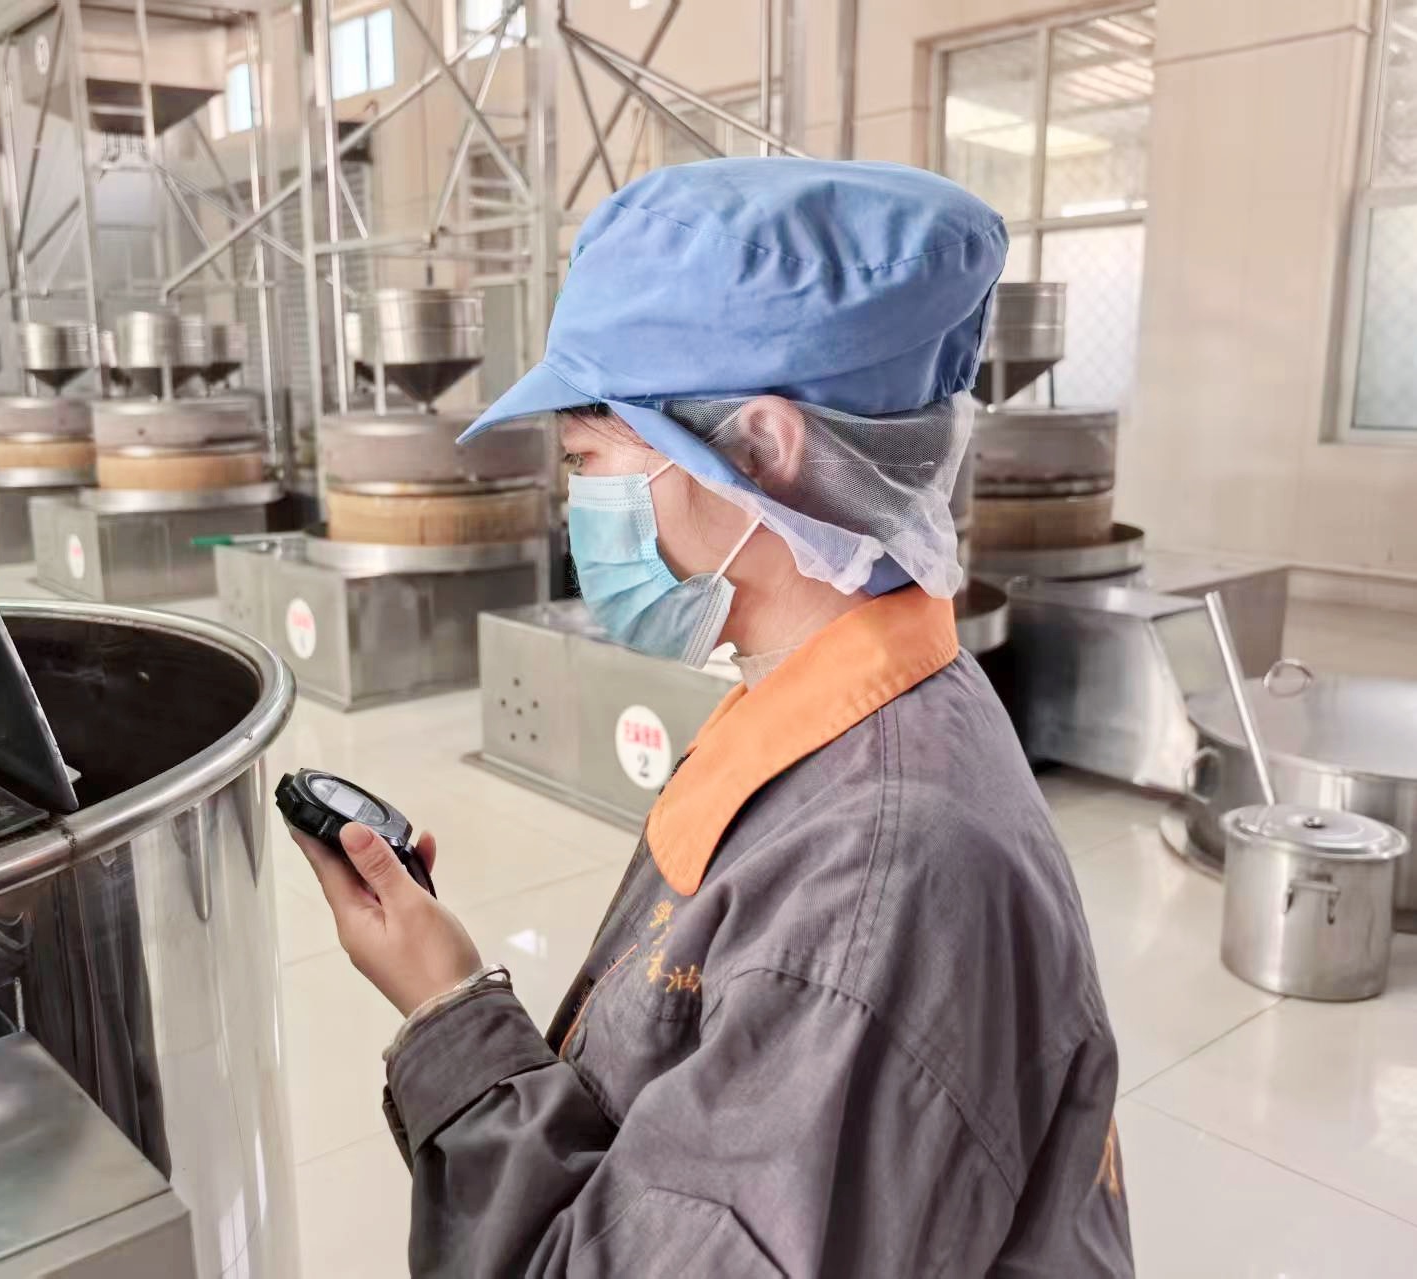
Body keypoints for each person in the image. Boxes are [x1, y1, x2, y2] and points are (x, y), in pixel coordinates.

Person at [291, 158, 1134, 1277]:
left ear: (758, 449)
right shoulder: (839, 713)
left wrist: (445, 1010)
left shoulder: (876, 885)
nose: (578, 505)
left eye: (590, 459)